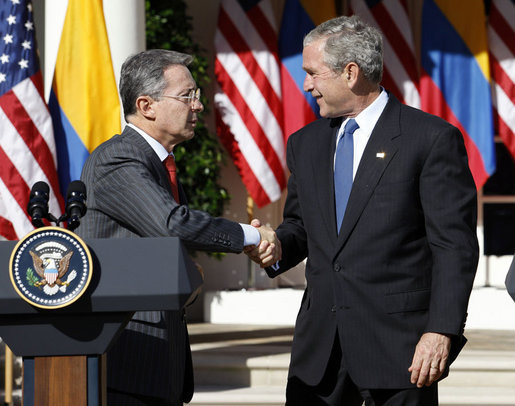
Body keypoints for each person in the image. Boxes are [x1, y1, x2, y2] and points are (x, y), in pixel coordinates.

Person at [248, 15, 479, 406]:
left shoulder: (430, 139)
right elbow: (301, 227)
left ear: (351, 72)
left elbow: (453, 247)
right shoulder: (304, 144)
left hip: (400, 352)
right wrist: (274, 245)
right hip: (319, 354)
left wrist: (441, 330)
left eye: (312, 73)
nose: (306, 85)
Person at [77, 49, 279, 405]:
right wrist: (250, 236)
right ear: (146, 105)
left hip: (158, 361)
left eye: (196, 95)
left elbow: (158, 244)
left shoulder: (160, 163)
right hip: (129, 355)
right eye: (187, 96)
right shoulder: (118, 157)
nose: (198, 105)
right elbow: (171, 224)